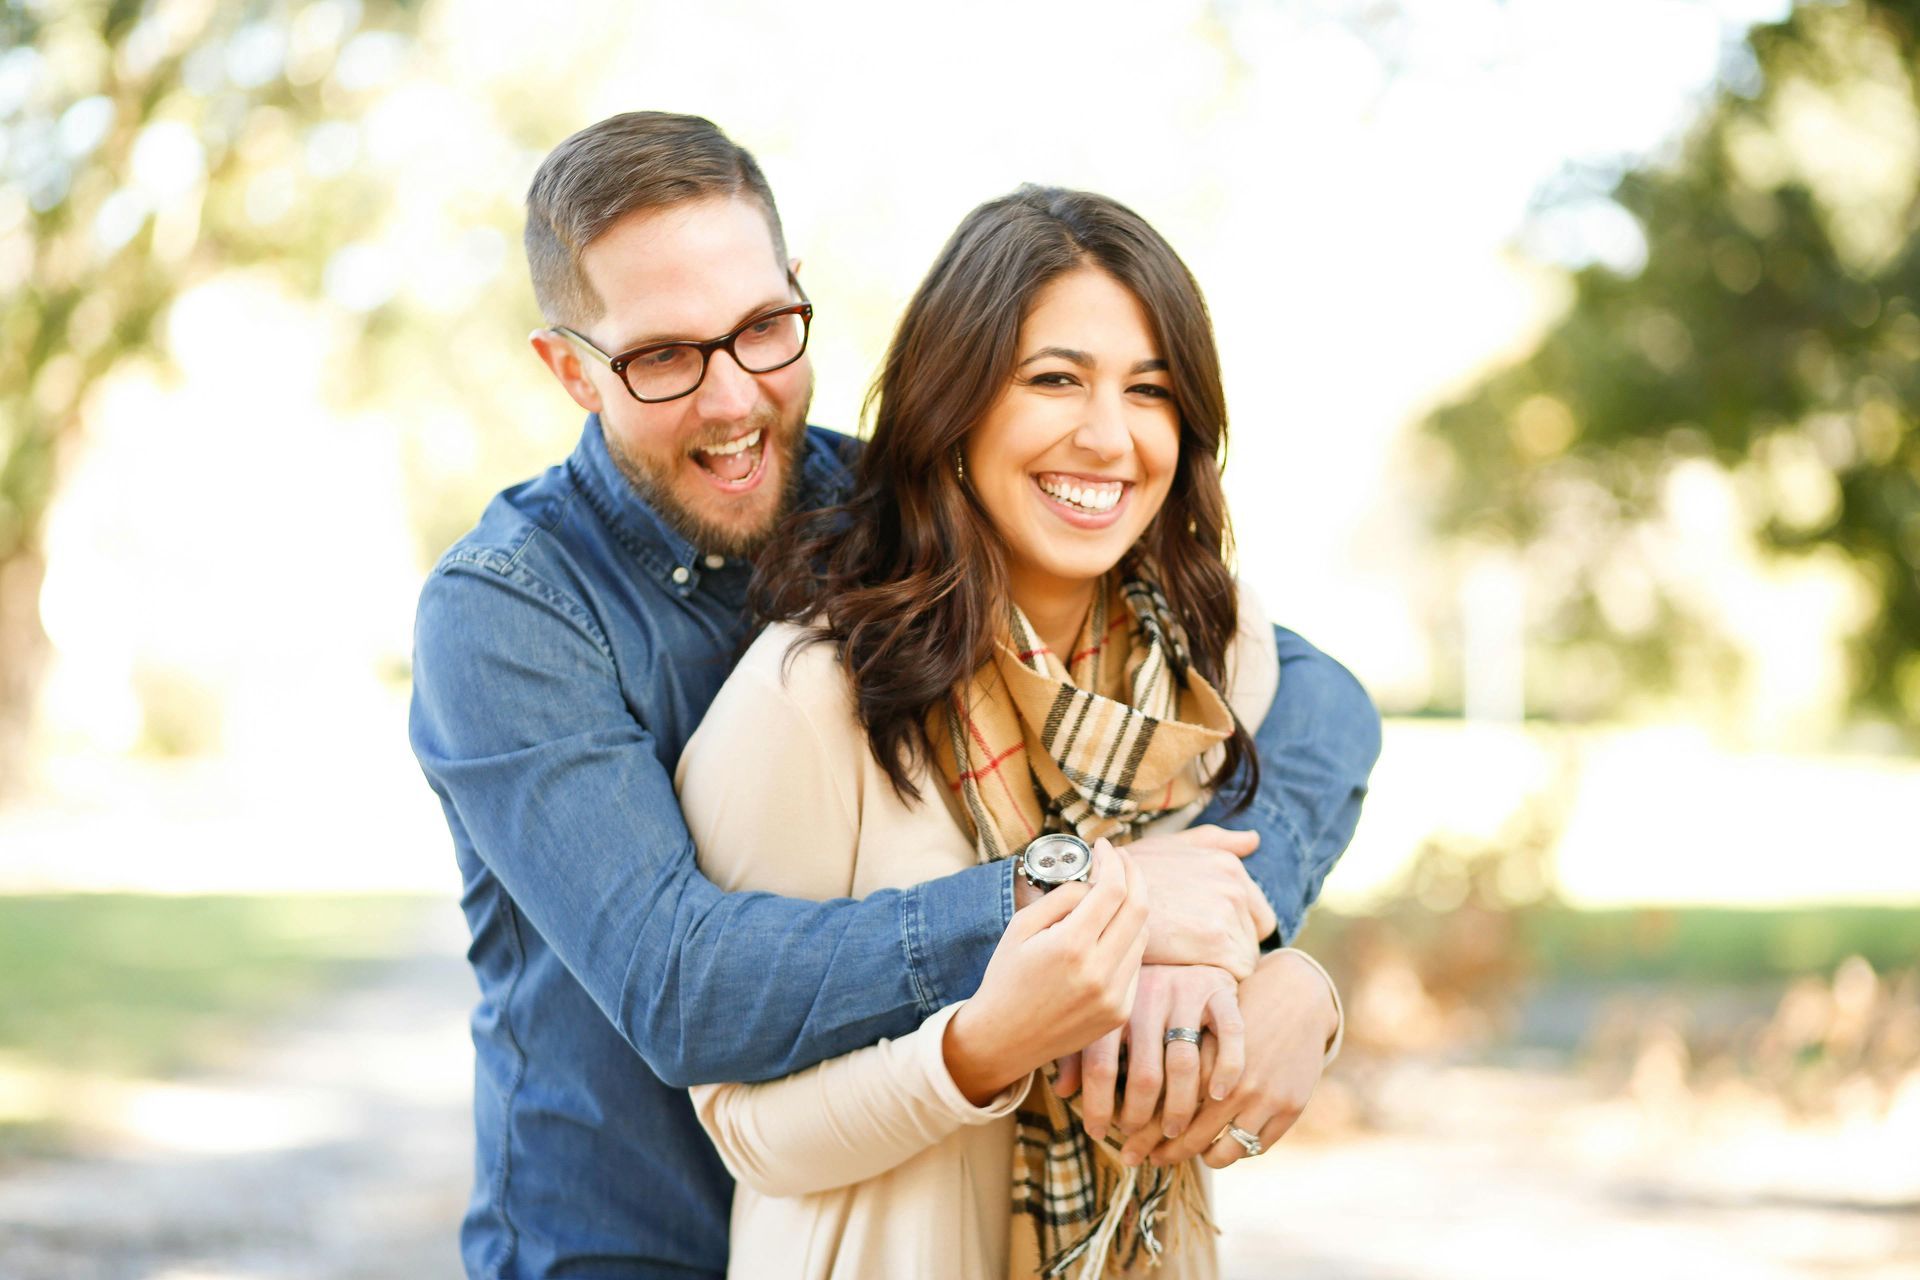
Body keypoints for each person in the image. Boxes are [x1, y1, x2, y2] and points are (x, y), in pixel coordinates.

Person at [408, 111, 1381, 1280]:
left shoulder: (893, 507)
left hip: (900, 1215)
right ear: (569, 366)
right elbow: (683, 981)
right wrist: (1076, 898)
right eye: (663, 355)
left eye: (764, 329)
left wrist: (1237, 936)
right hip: (622, 1240)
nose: (732, 400)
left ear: (797, 296)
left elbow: (1317, 697)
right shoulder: (510, 610)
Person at [675, 185, 1341, 1279]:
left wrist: (1298, 991)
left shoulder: (1209, 658)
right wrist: (985, 1043)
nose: (1108, 435)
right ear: (958, 406)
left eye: (1150, 389)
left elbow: (1225, 906)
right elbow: (744, 1122)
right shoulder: (815, 697)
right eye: (1054, 380)